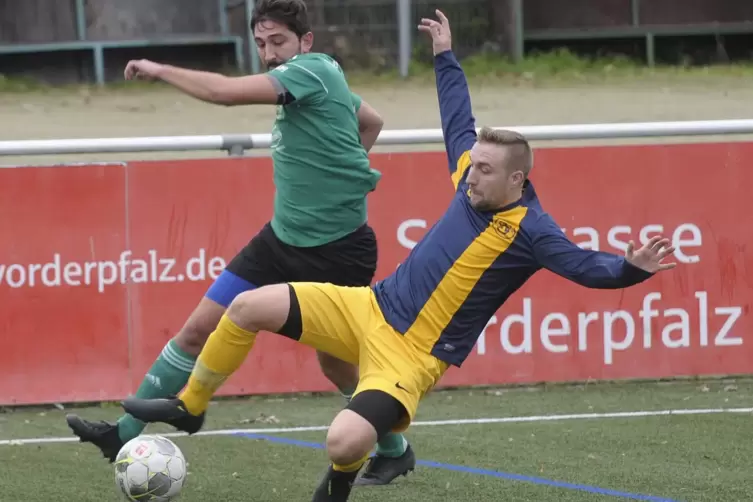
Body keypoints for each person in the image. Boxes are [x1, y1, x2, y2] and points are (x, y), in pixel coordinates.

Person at [120, 9, 678, 502]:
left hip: (410, 357)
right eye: (472, 164)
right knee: (246, 308)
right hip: (370, 308)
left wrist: (631, 267)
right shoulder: (469, 176)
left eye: (484, 169)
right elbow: (457, 120)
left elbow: (586, 267)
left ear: (517, 178)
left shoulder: (532, 230)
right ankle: (190, 407)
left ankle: (340, 486)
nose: (470, 174)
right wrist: (445, 56)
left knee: (342, 440)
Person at [65, 0, 418, 486]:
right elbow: (371, 120)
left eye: (278, 42)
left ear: (305, 42)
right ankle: (121, 435)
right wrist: (341, 166)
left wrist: (160, 68)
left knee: (336, 365)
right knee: (195, 331)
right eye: (261, 44)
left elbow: (226, 93)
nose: (269, 54)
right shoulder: (316, 78)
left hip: (337, 250)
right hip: (279, 239)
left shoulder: (310, 71)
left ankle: (394, 447)